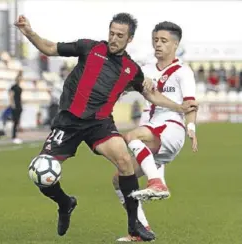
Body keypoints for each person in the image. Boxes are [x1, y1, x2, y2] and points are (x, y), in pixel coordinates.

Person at [14, 14, 197, 241]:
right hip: (68, 121)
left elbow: (151, 94)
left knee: (123, 160)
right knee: (40, 174)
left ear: (129, 39)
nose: (113, 39)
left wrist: (179, 107)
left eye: (120, 36)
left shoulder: (131, 69)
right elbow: (50, 48)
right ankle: (65, 202)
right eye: (111, 33)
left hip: (99, 124)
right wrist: (30, 32)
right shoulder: (89, 48)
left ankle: (134, 226)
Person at [113, 21, 198, 241]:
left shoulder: (183, 72)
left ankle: (157, 183)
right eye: (155, 40)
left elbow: (190, 104)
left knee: (132, 135)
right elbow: (123, 85)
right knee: (120, 179)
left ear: (175, 44)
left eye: (163, 41)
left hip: (171, 129)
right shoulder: (146, 69)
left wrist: (191, 127)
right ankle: (140, 230)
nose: (158, 45)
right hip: (151, 135)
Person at [9, 70, 23, 144]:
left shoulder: (19, 87)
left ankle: (15, 136)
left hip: (19, 105)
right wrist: (12, 104)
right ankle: (14, 136)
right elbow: (11, 96)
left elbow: (20, 97)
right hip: (15, 105)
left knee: (17, 122)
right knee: (15, 122)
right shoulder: (13, 87)